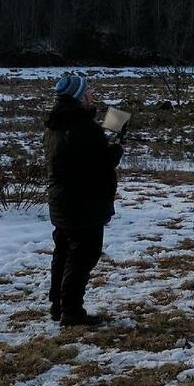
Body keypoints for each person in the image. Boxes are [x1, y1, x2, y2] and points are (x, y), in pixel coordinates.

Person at [44, 70, 121, 327]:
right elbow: (101, 165)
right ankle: (72, 311)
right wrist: (116, 148)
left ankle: (59, 305)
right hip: (84, 204)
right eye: (88, 92)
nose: (92, 96)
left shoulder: (55, 124)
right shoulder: (85, 127)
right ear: (78, 97)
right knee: (84, 256)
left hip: (62, 201)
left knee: (64, 253)